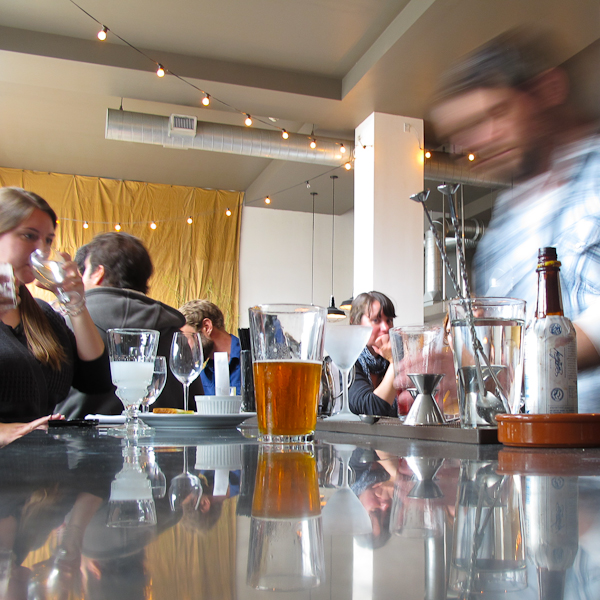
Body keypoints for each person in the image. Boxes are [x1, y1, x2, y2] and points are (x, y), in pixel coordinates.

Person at [430, 30, 600, 412]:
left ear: (547, 90)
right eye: (464, 131)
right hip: (530, 449)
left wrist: (490, 365)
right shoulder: (504, 222)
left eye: (496, 114)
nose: (479, 140)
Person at [56, 232, 204, 418]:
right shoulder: (174, 335)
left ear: (98, 273)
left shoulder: (67, 322)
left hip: (73, 445)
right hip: (163, 445)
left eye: (84, 270)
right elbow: (194, 408)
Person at [0, 187, 111, 423]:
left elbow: (95, 381)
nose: (42, 249)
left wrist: (76, 303)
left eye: (48, 240)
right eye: (29, 235)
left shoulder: (42, 314)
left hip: (41, 457)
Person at [348, 291, 398, 416]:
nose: (386, 328)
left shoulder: (392, 361)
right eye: (376, 320)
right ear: (356, 323)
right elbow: (371, 409)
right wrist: (395, 360)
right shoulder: (346, 360)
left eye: (389, 320)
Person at [179, 300, 241, 395]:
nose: (184, 349)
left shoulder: (256, 360)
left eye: (185, 339)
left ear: (207, 327)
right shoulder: (201, 378)